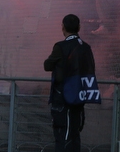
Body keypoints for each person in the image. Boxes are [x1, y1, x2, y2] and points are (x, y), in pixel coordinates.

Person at [43, 14, 96, 152]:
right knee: (74, 134)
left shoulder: (60, 47)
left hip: (62, 99)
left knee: (63, 136)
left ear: (63, 27)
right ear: (78, 27)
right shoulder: (86, 47)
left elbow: (47, 65)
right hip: (79, 98)